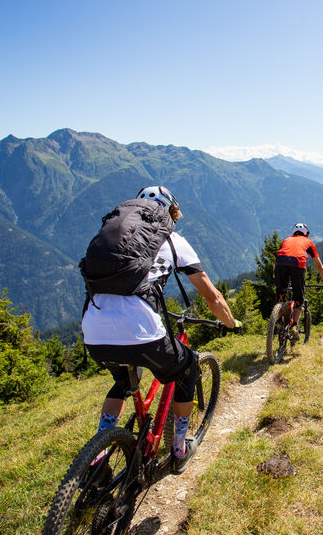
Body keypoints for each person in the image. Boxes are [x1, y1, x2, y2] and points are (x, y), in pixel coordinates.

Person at [81, 185, 239, 473]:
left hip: (93, 328)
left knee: (123, 381)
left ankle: (98, 455)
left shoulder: (118, 236)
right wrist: (231, 323)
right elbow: (212, 296)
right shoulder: (174, 240)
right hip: (140, 329)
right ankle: (179, 447)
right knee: (188, 366)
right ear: (171, 212)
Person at [274, 222, 323, 336]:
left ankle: (279, 321)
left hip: (280, 265)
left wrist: (275, 276)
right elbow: (319, 266)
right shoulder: (308, 242)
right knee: (298, 297)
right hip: (297, 265)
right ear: (306, 233)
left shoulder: (286, 240)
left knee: (281, 294)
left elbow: (277, 260)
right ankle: (294, 325)